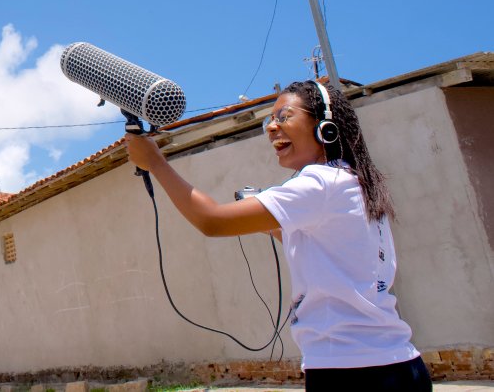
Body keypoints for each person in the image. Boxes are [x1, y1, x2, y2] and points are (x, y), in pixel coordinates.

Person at [125, 80, 431, 392]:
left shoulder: (320, 183)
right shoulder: (351, 181)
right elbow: (320, 247)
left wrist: (156, 163)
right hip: (397, 365)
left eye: (283, 116)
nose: (272, 128)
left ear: (324, 126)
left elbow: (211, 221)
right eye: (268, 121)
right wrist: (263, 216)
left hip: (354, 371)